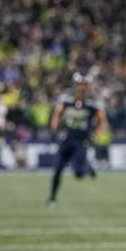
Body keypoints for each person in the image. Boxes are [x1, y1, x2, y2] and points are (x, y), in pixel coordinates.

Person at [47, 72, 107, 209]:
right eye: (80, 84)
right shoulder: (67, 98)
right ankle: (52, 198)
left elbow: (102, 120)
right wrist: (54, 128)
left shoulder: (93, 101)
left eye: (85, 84)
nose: (82, 87)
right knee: (57, 169)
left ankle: (88, 167)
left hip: (82, 141)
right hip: (68, 138)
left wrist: (96, 134)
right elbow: (57, 113)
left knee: (79, 174)